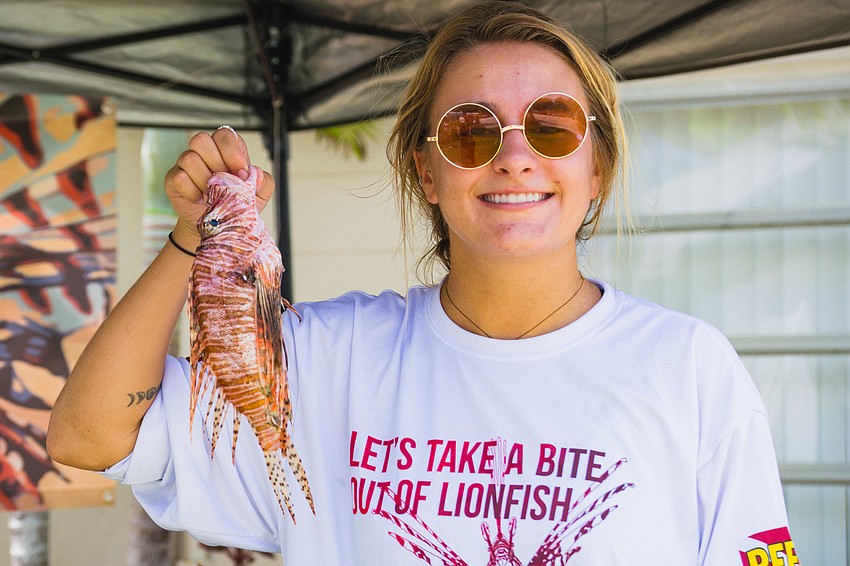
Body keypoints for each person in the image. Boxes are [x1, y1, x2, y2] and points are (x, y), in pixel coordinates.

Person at [47, 2, 800, 564]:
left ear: (595, 165)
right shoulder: (326, 361)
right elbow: (89, 434)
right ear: (426, 170)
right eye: (472, 131)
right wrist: (195, 237)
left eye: (553, 126)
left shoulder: (688, 367)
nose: (514, 157)